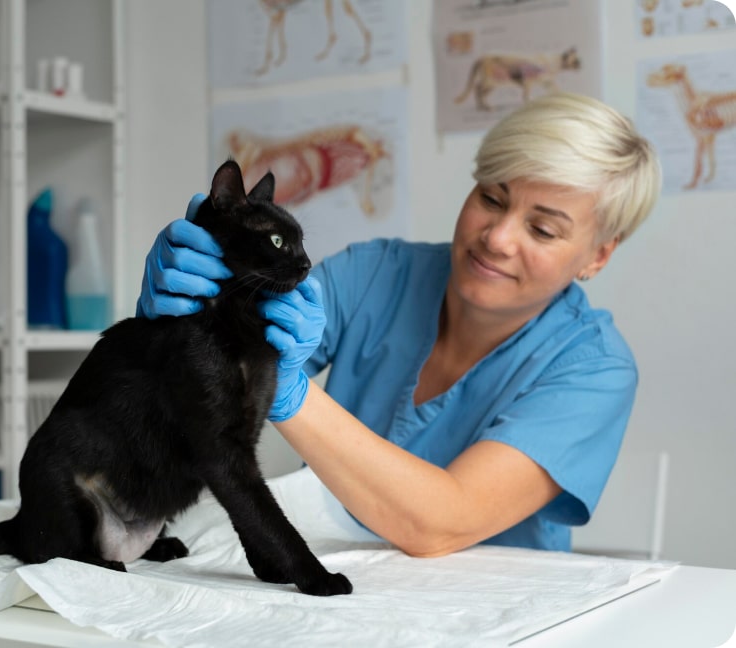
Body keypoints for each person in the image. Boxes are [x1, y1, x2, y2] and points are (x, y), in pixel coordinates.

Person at [136, 92, 662, 556]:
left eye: (543, 229)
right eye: (491, 198)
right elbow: (181, 393)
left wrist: (284, 389)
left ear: (598, 256)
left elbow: (441, 524)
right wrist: (173, 319)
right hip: (335, 579)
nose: (498, 237)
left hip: (492, 609)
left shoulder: (595, 368)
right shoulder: (374, 274)